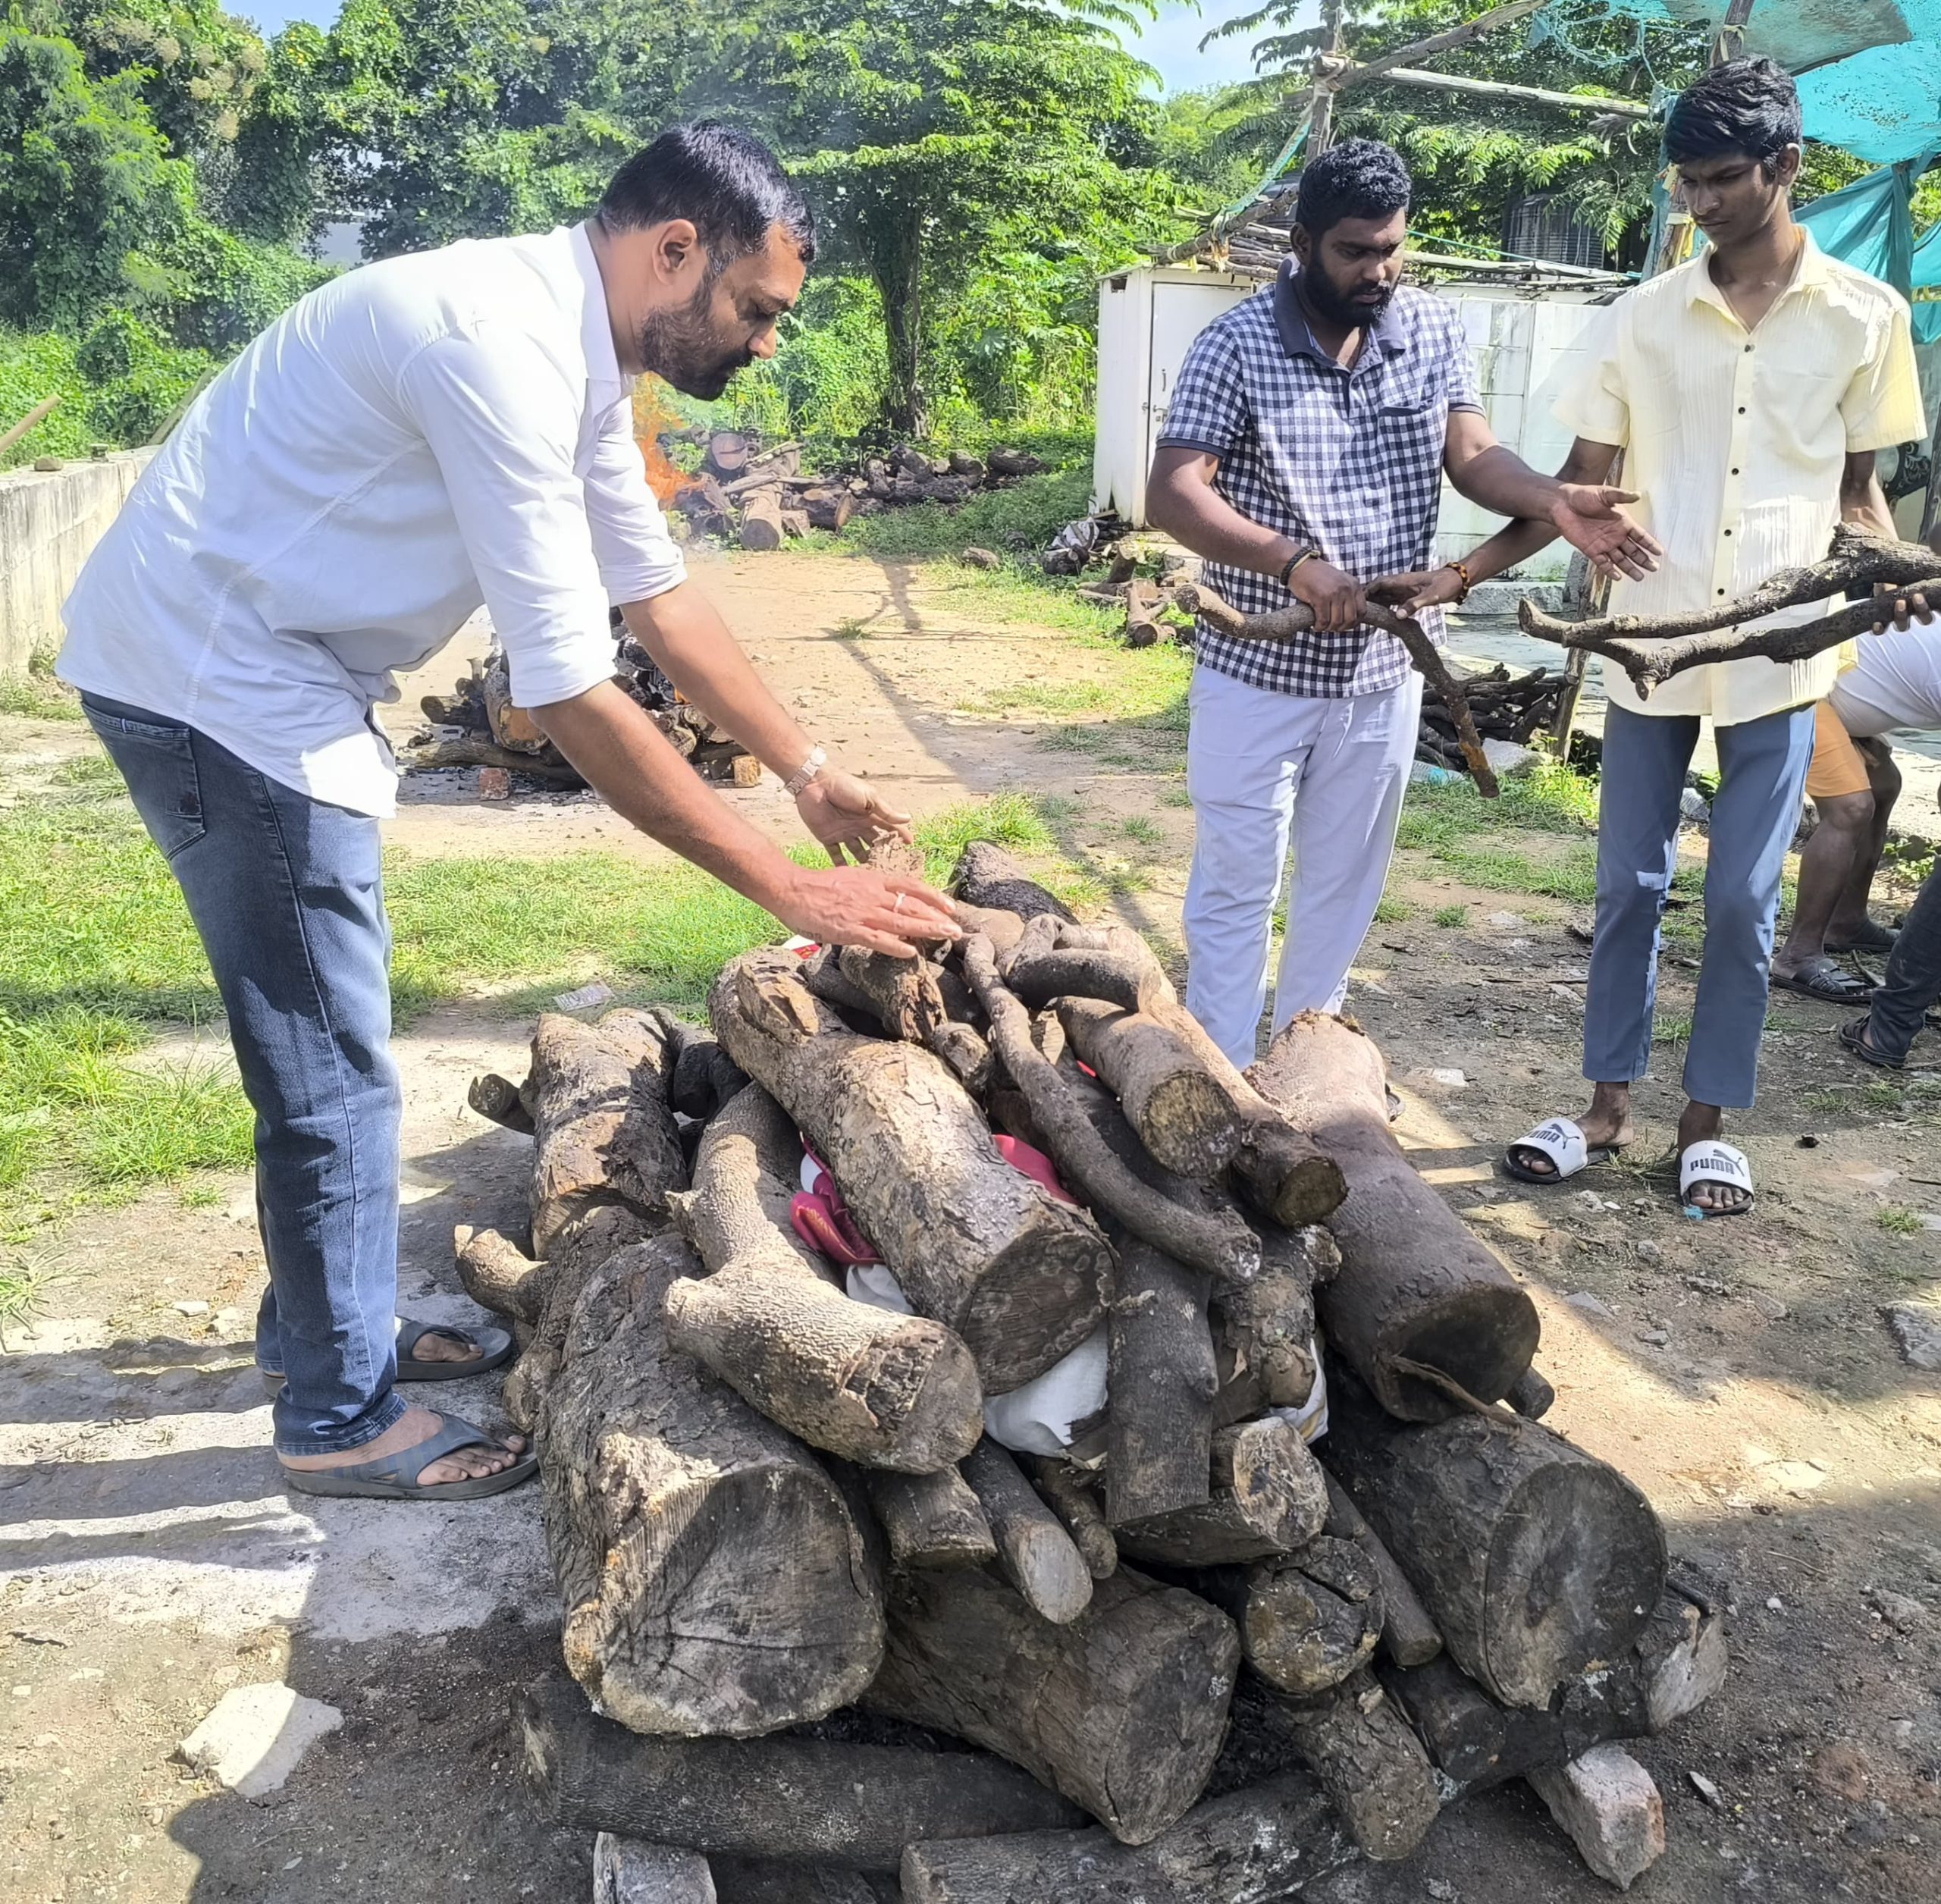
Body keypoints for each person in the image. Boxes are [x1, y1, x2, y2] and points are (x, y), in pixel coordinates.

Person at [57, 124, 961, 1502]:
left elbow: (655, 591)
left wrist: (805, 764)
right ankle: (335, 1415)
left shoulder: (583, 352)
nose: (769, 344)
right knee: (330, 1069)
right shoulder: (496, 348)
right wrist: (794, 891)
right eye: (759, 312)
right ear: (675, 249)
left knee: (328, 1054)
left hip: (262, 666)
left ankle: (324, 1326)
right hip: (217, 681)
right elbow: (575, 691)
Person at [1377, 61, 1927, 1212]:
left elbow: (1861, 495)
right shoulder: (1641, 318)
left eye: (1722, 178)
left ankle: (1708, 1121)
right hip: (1646, 646)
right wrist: (1466, 571)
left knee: (1740, 898)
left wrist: (1896, 571)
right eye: (1685, 180)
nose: (1700, 203)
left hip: (1779, 652)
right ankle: (1604, 1107)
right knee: (1628, 883)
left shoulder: (1867, 318)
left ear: (1784, 168)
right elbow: (1579, 489)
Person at [1146, 138, 1659, 1070]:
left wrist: (1550, 498)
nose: (1378, 270)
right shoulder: (1234, 343)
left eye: (1392, 248)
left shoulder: (1427, 327)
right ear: (1301, 242)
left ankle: (1309, 1072)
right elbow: (1174, 491)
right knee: (1236, 882)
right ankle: (1218, 1077)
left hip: (1383, 673)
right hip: (1258, 673)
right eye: (1354, 252)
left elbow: (1473, 457)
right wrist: (1292, 561)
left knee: (1341, 885)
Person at [1768, 692, 1901, 1004]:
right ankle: (1798, 956)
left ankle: (1847, 922)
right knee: (1850, 806)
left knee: (1883, 783)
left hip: (1841, 695)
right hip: (1804, 691)